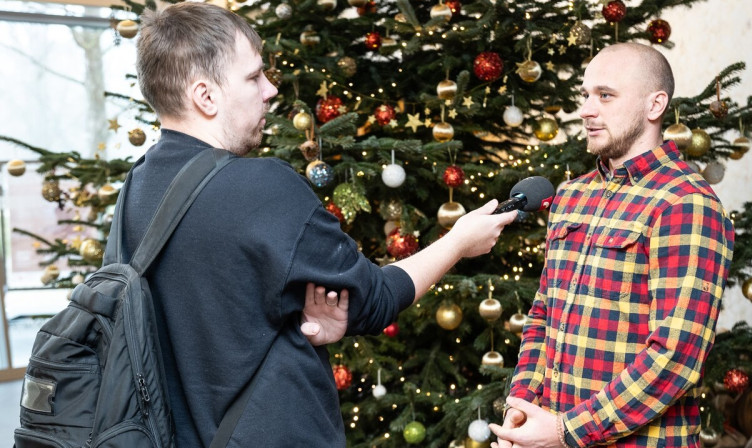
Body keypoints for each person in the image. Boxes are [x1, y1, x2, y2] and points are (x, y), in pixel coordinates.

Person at [124, 2, 516, 446]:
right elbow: (376, 299)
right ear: (205, 96)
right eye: (253, 77)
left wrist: (301, 327)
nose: (270, 89)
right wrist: (459, 241)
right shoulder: (261, 187)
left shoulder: (136, 189)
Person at [490, 42, 735, 448]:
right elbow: (543, 315)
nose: (586, 109)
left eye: (605, 95)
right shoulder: (571, 196)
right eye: (585, 95)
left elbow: (676, 357)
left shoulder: (686, 203)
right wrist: (522, 405)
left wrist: (565, 431)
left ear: (654, 105)